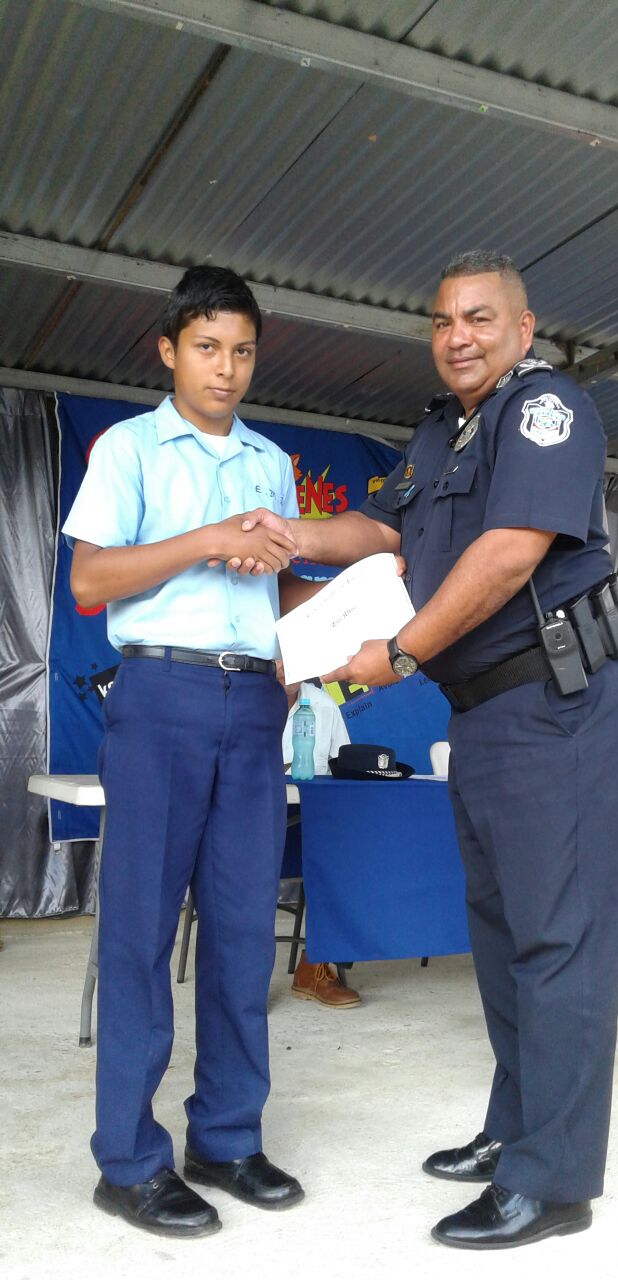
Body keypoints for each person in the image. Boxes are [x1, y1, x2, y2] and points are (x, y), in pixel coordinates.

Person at [242, 250, 618, 1249]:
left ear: (522, 327)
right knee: (503, 935)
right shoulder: (438, 430)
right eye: (441, 320)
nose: (457, 335)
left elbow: (508, 553)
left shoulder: (546, 408)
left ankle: (555, 1180)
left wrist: (401, 652)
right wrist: (290, 534)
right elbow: (383, 532)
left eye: (478, 317)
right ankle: (518, 1130)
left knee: (558, 939)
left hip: (561, 703)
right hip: (488, 711)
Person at [63, 266, 307, 1238]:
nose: (226, 368)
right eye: (207, 347)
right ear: (168, 350)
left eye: (242, 350)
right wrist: (204, 539)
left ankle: (227, 1136)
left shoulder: (271, 462)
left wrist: (319, 638)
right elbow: (91, 580)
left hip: (253, 701)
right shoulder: (129, 449)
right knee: (139, 932)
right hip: (160, 694)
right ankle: (128, 1160)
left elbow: (275, 587)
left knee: (243, 929)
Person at [281, 680, 360, 1007]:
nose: (284, 667)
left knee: (350, 853)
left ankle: (315, 965)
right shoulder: (237, 696)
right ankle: (238, 979)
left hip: (310, 822)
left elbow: (344, 764)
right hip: (248, 818)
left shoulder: (322, 704)